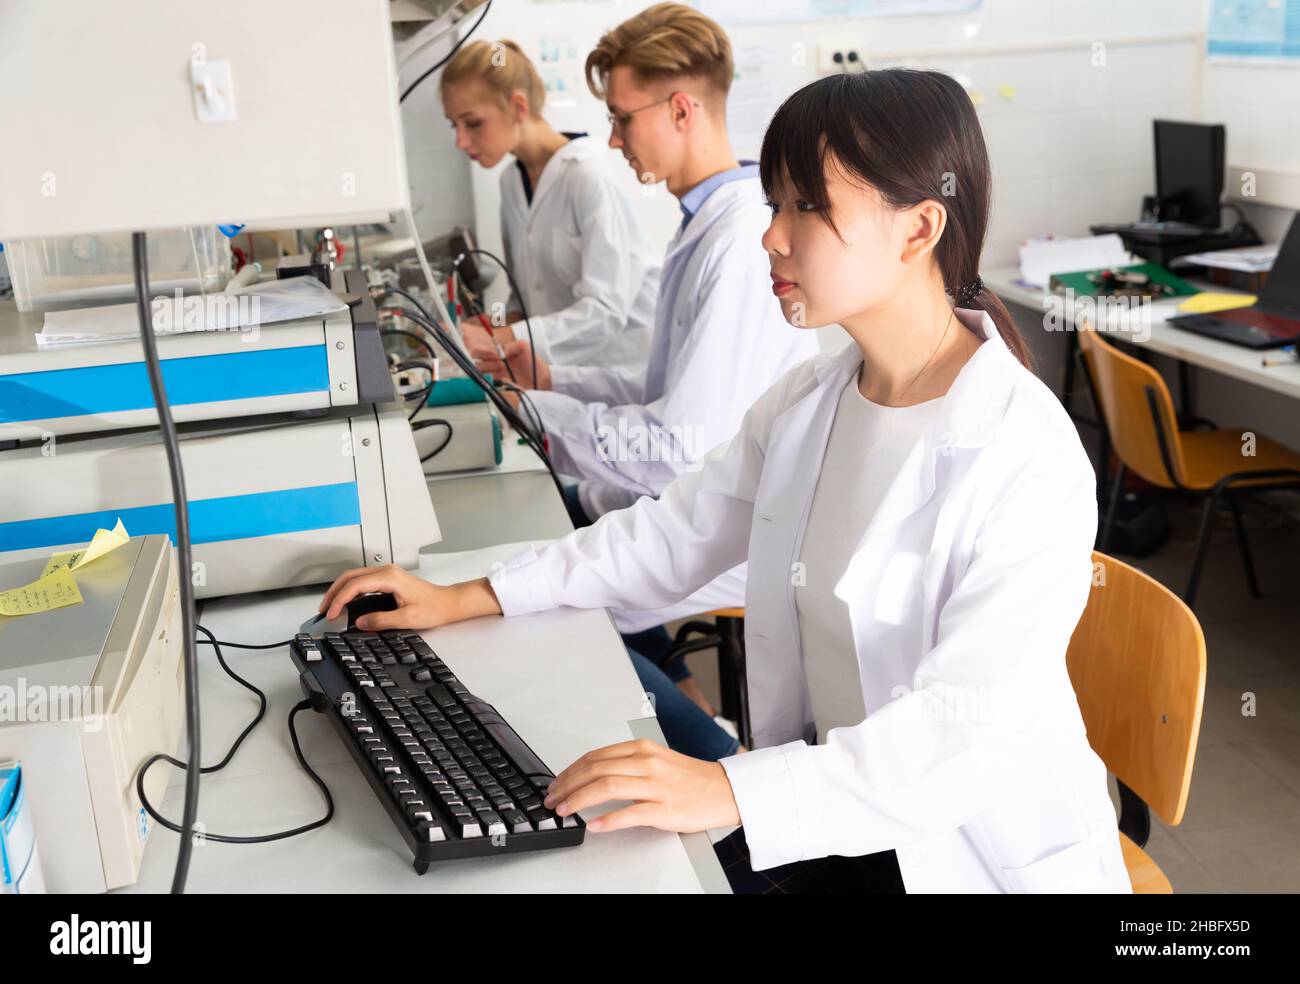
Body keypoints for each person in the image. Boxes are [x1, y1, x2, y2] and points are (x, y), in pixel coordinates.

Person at [320, 67, 1133, 894]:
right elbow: (672, 533)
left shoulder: (1023, 451)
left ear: (918, 228)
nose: (772, 237)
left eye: (806, 207)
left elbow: (959, 733)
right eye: (776, 203)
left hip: (954, 850)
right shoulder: (811, 402)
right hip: (825, 812)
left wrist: (726, 785)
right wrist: (471, 594)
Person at [468, 5, 821, 750]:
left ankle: (714, 771)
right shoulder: (703, 221)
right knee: (551, 547)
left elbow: (674, 444)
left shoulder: (737, 242)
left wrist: (539, 415)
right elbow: (663, 385)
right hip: (707, 491)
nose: (615, 138)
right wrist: (551, 382)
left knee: (568, 609)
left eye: (624, 118)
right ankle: (690, 731)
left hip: (750, 527)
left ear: (682, 108)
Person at [440, 39, 657, 375]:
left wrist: (505, 335)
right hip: (560, 377)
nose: (460, 142)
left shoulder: (588, 174)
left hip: (625, 374)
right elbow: (526, 297)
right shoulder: (512, 182)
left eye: (473, 123)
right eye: (454, 125)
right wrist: (487, 327)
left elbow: (606, 310)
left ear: (518, 106)